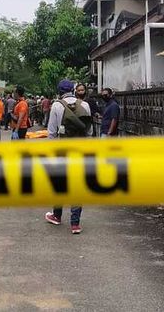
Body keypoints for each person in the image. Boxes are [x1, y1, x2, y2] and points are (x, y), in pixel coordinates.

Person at [44, 79, 92, 234]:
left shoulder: (57, 105)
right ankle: (75, 224)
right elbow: (89, 132)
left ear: (59, 91)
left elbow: (51, 132)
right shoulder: (85, 105)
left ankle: (56, 216)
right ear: (73, 89)